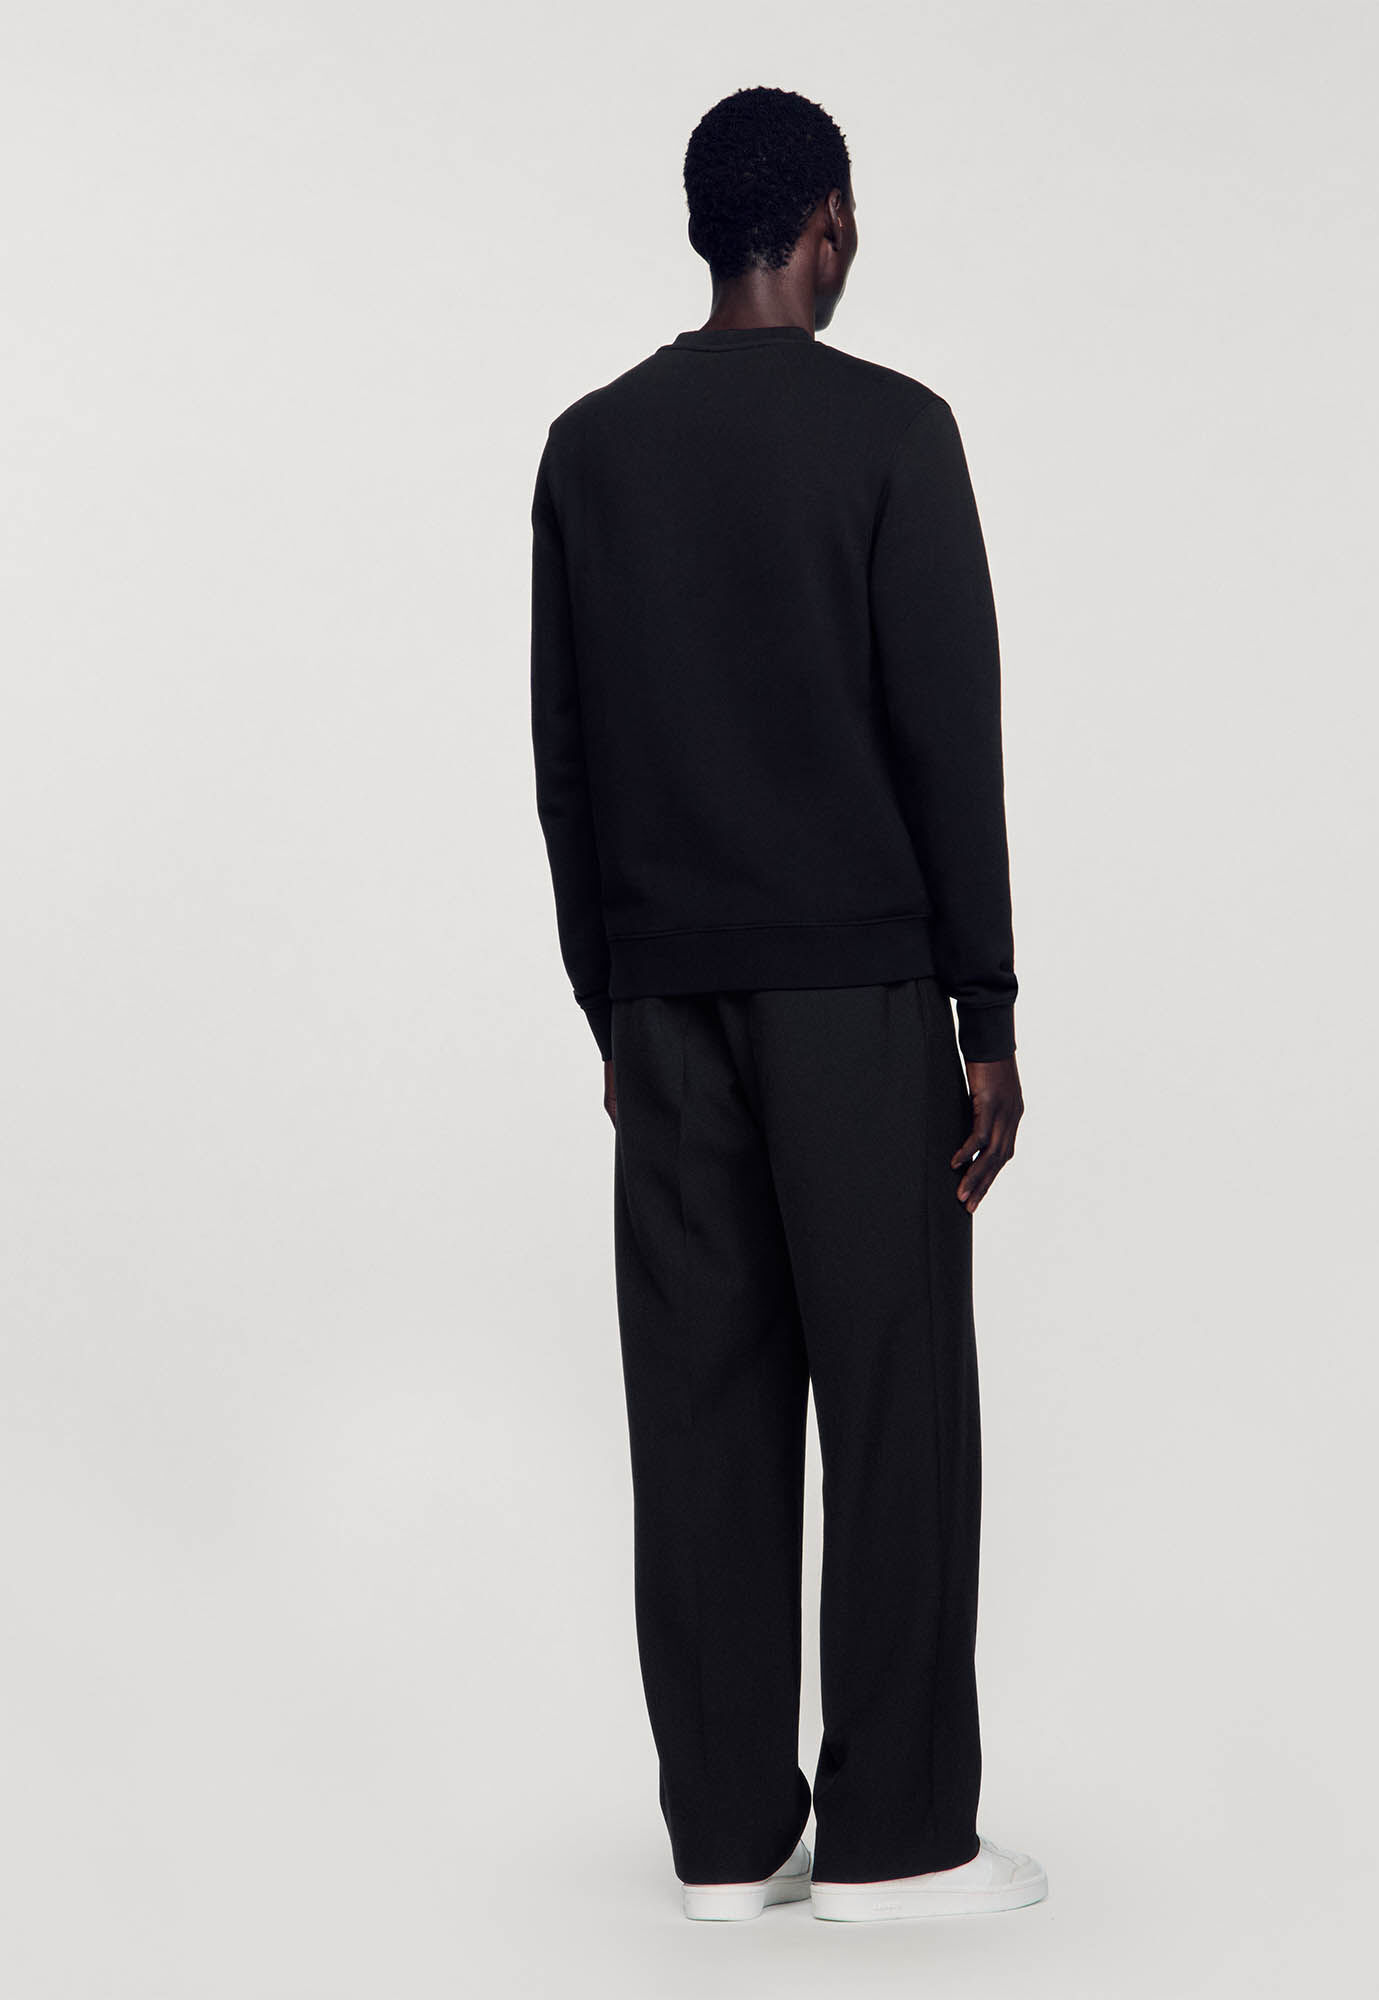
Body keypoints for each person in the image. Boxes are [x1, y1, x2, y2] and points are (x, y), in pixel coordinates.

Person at [528, 84, 1045, 1925]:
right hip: (858, 1003)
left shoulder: (590, 452)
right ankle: (898, 1844)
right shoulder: (896, 431)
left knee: (700, 1416)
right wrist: (987, 1017)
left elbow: (565, 763)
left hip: (667, 1012)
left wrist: (612, 1008)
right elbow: (948, 738)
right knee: (893, 1409)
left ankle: (729, 1845)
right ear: (826, 222)